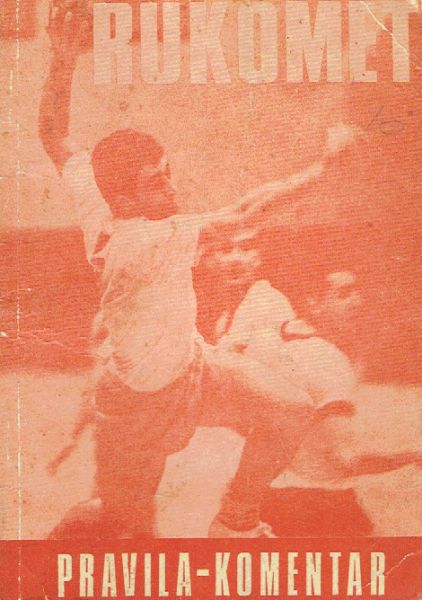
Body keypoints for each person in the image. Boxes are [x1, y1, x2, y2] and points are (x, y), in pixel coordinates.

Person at [39, 1, 354, 539]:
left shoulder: (97, 197)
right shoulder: (146, 241)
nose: (171, 187)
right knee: (120, 522)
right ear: (125, 198)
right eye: (155, 183)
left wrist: (63, 61)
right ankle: (45, 554)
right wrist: (324, 169)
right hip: (136, 405)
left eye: (166, 173)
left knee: (291, 410)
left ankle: (235, 521)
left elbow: (54, 135)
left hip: (194, 369)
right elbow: (248, 211)